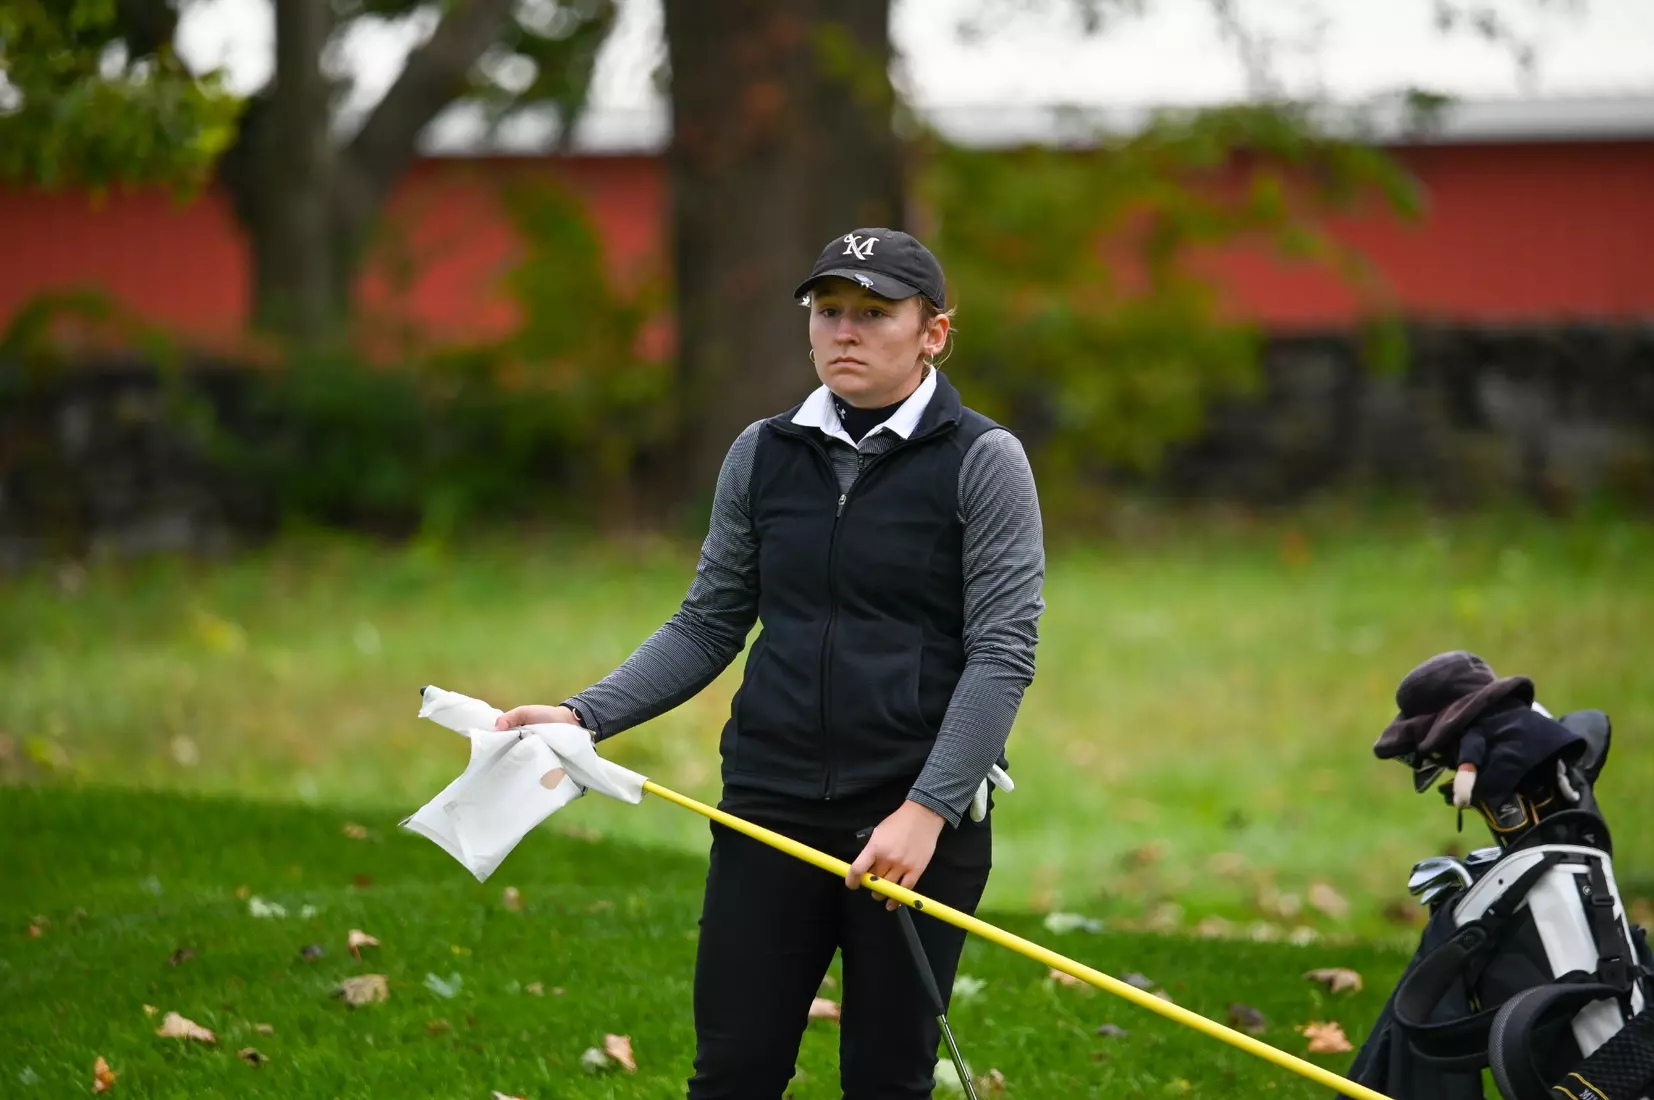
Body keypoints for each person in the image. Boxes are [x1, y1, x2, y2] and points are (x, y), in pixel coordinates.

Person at [494, 227, 1045, 1099]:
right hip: (769, 808)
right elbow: (709, 623)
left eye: (874, 313)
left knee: (886, 1080)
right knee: (734, 1073)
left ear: (934, 332)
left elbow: (1003, 653)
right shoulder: (763, 452)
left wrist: (927, 811)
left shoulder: (983, 460)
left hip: (913, 823)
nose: (845, 332)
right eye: (829, 312)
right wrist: (585, 714)